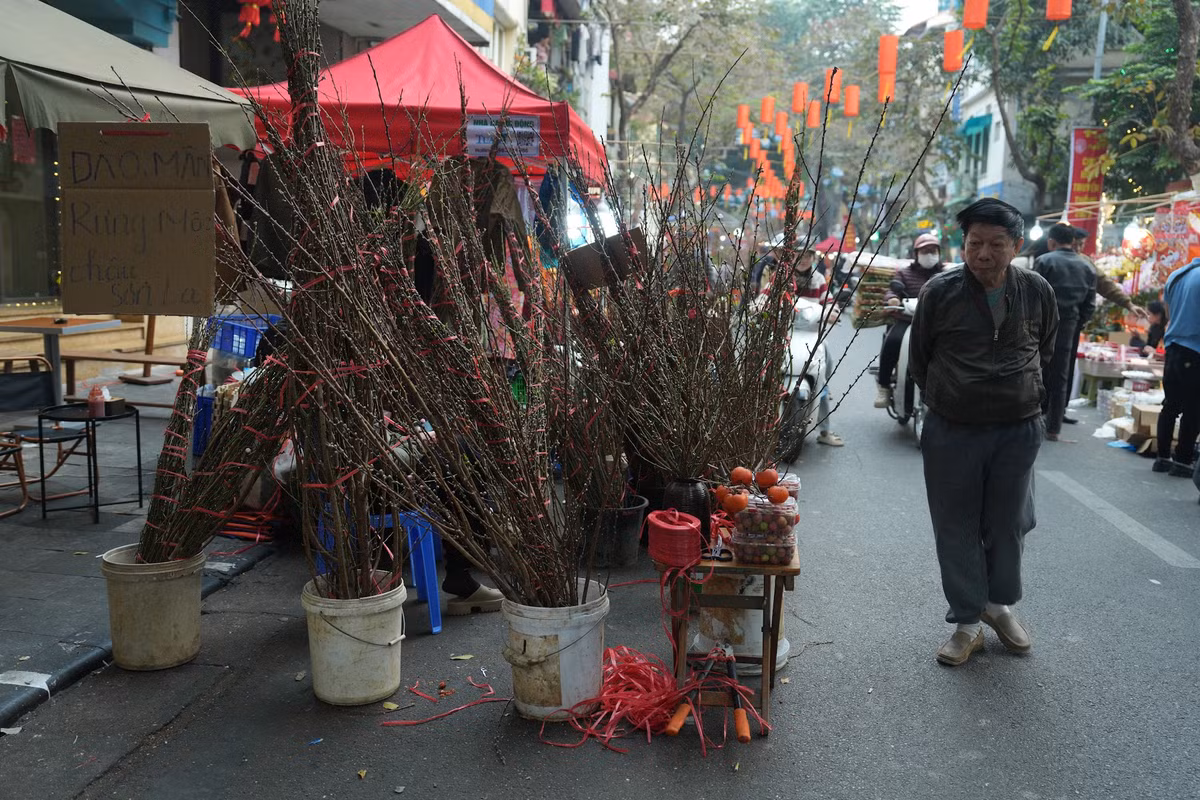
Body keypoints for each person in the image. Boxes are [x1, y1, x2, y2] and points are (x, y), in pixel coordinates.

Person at [909, 198, 1058, 667]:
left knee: (1010, 521)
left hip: (1018, 429)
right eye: (975, 244)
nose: (984, 254)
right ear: (963, 244)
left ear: (1015, 246)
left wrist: (1023, 395)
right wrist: (955, 395)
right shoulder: (941, 291)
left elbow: (1047, 350)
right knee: (956, 524)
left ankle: (998, 605)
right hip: (953, 427)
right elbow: (920, 360)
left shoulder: (1036, 290)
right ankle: (968, 622)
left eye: (996, 244)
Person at [1033, 223, 1096, 440]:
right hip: (1069, 325)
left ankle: (1030, 420)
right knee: (1060, 377)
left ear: (1051, 242)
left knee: (1035, 372)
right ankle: (1053, 429)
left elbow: (1032, 296)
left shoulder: (1044, 261)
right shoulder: (1087, 267)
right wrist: (1078, 322)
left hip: (1040, 326)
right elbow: (1090, 304)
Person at [874, 233, 945, 408]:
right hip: (907, 321)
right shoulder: (904, 274)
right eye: (925, 251)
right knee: (892, 342)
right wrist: (892, 299)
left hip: (936, 323)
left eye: (933, 250)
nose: (929, 254)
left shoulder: (945, 275)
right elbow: (892, 291)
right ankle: (883, 387)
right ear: (916, 253)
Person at [1152, 258, 1200, 477]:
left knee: (1170, 405)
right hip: (1195, 350)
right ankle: (1182, 461)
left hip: (1173, 348)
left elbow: (1168, 314)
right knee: (1193, 409)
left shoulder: (1177, 275)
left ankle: (1162, 458)